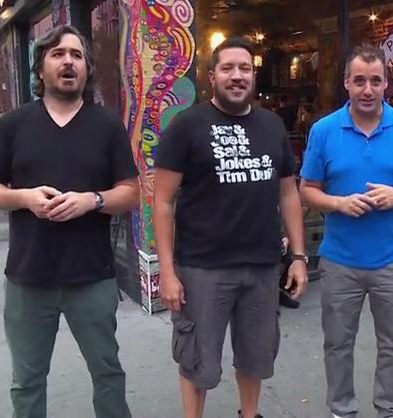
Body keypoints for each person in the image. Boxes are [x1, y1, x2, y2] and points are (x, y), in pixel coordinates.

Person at [0, 25, 138, 418]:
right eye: (58, 54)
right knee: (27, 382)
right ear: (41, 68)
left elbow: (131, 192)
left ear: (86, 69)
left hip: (93, 277)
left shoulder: (107, 126)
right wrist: (24, 198)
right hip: (28, 279)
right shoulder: (13, 124)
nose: (69, 61)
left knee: (108, 373)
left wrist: (92, 201)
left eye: (77, 55)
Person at [153, 37, 308, 418]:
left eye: (245, 69)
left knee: (256, 356)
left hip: (262, 266)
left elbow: (288, 193)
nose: (237, 76)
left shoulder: (272, 125)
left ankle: (249, 414)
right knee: (197, 361)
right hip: (202, 268)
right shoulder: (186, 126)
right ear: (212, 77)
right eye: (228, 68)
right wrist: (167, 272)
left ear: (253, 76)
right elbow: (162, 201)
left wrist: (299, 257)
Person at [299, 44, 393, 418]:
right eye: (359, 80)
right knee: (337, 345)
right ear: (346, 83)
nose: (367, 89)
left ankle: (390, 411)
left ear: (386, 85)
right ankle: (341, 411)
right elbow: (307, 190)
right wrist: (338, 203)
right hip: (340, 262)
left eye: (375, 81)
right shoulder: (324, 131)